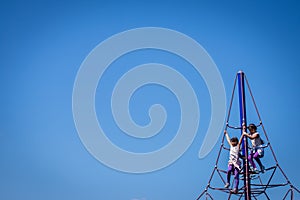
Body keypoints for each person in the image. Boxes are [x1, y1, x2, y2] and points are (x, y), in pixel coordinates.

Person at [224, 130, 243, 194]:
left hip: (237, 163)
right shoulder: (231, 146)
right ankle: (228, 182)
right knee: (229, 170)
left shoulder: (238, 146)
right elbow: (228, 140)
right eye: (232, 142)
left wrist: (243, 134)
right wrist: (226, 133)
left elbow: (240, 141)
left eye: (234, 142)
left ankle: (235, 188)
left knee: (236, 175)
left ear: (236, 142)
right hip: (231, 162)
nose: (232, 143)